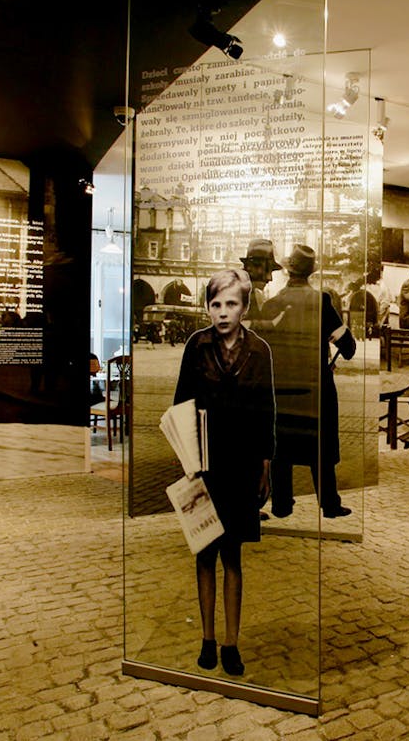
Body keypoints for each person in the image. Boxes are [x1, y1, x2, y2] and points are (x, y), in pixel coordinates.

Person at [172, 269, 275, 677]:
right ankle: (207, 639)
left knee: (233, 555)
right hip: (204, 465)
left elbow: (267, 410)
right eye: (215, 304)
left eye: (231, 304)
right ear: (208, 307)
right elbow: (180, 404)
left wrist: (266, 463)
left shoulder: (260, 350)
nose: (222, 312)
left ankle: (231, 643)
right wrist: (186, 460)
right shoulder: (196, 347)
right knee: (204, 553)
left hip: (243, 465)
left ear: (245, 308)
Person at [263, 244, 357, 520]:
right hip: (317, 388)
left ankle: (281, 504)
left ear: (288, 270)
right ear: (311, 272)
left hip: (282, 389)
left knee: (282, 447)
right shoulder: (322, 302)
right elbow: (349, 348)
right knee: (322, 446)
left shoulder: (273, 304)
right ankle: (329, 504)